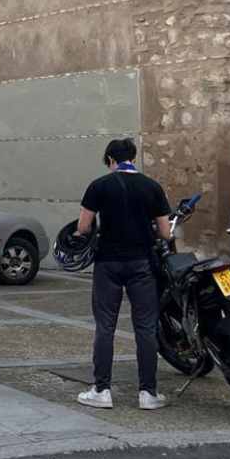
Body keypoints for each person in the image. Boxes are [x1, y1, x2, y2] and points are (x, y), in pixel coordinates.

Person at [74, 138, 172, 410]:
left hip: (108, 263)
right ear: (133, 157)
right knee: (145, 327)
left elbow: (83, 227)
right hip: (142, 263)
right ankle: (148, 393)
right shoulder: (152, 187)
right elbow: (165, 232)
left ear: (109, 160)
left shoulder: (99, 186)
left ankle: (102, 390)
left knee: (105, 326)